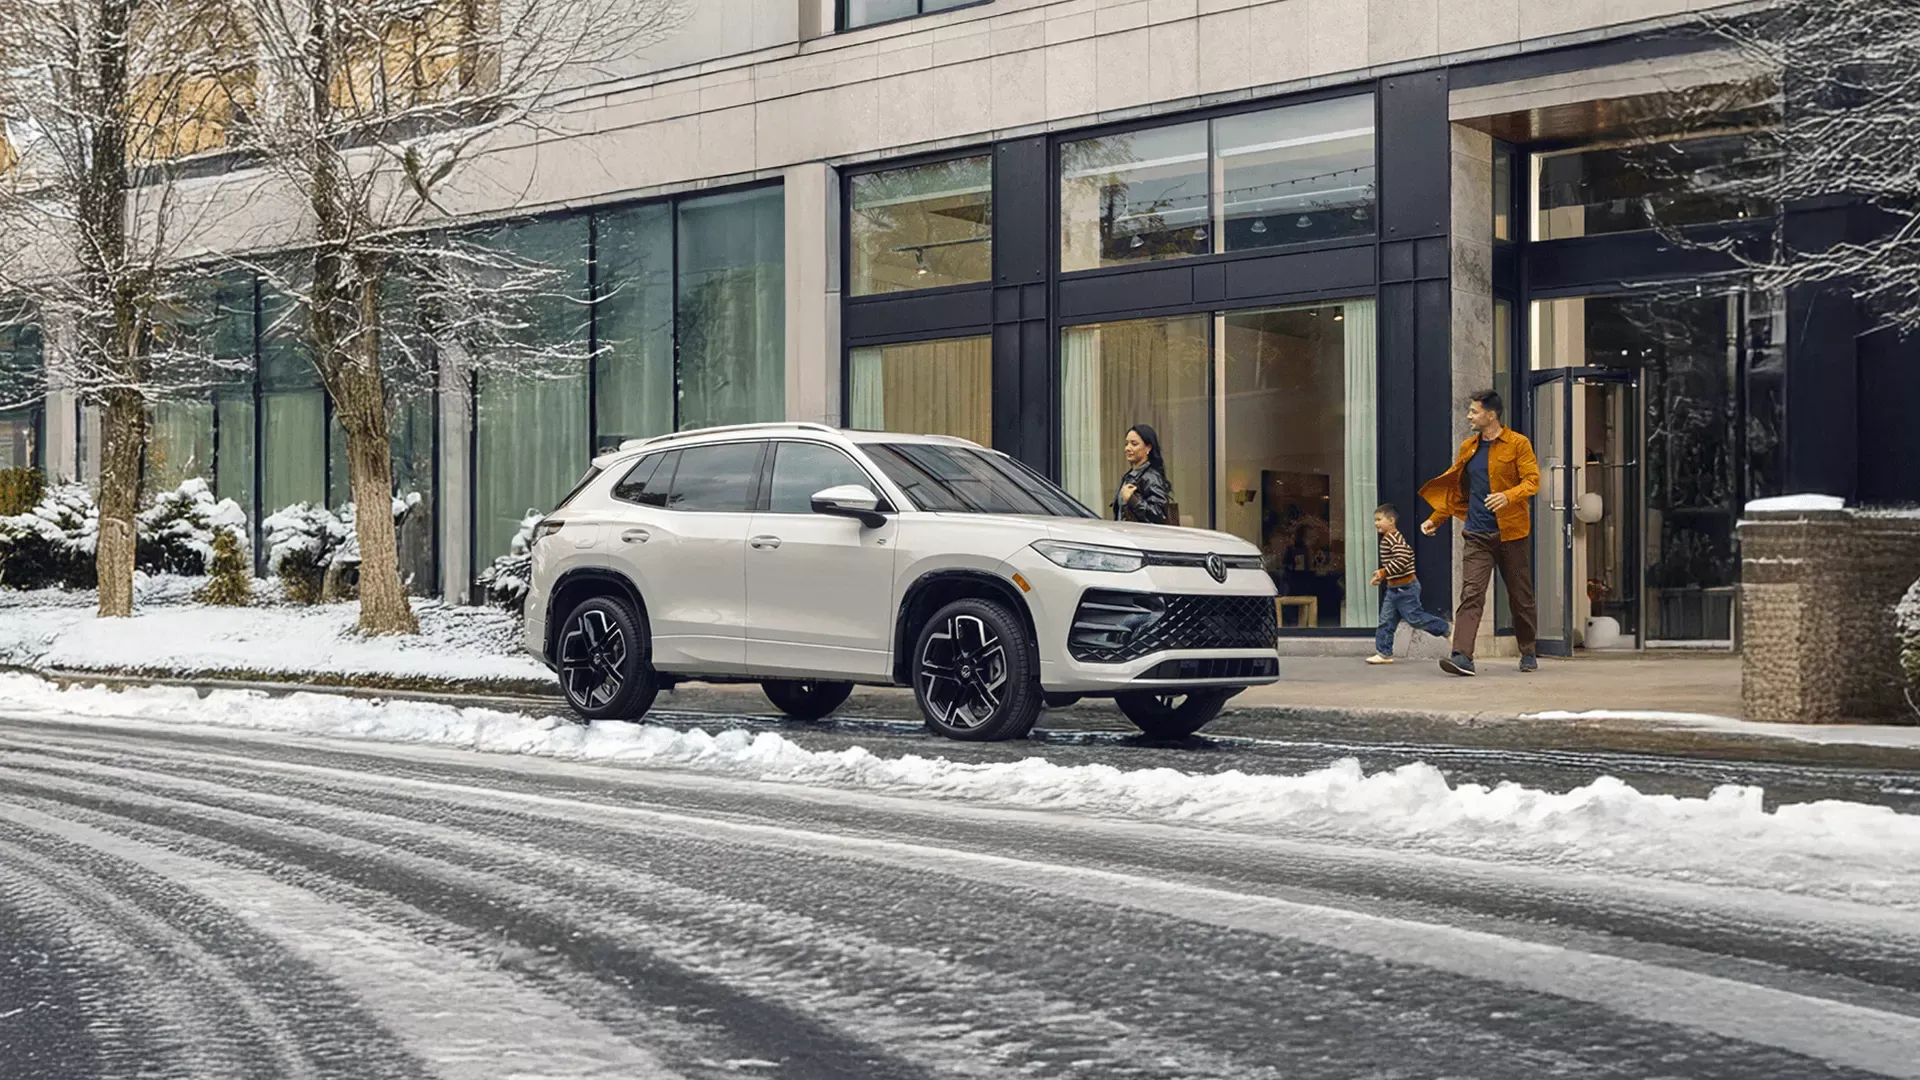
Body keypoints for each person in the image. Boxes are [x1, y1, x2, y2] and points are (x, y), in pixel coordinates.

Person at [1419, 389, 1540, 676]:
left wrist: (1508, 496)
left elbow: (1532, 481)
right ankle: (1462, 656)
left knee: (1520, 597)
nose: (1469, 416)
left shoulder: (1518, 443)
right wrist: (1437, 518)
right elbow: (1459, 490)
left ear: (1491, 415)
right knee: (1471, 593)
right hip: (1476, 534)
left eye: (1474, 411)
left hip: (1512, 534)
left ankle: (1528, 650)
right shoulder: (1468, 447)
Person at [1366, 503, 1450, 665]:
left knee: (1415, 618)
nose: (1376, 523)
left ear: (1391, 520)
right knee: (1386, 621)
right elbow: (1402, 560)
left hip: (1405, 588)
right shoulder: (1390, 538)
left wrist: (1383, 572)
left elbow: (1404, 558)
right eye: (1375, 520)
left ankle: (1445, 629)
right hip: (1394, 587)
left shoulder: (1392, 538)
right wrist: (1383, 576)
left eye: (1379, 519)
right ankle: (1384, 653)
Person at [1113, 424, 1171, 525]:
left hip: (1141, 534)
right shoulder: (1130, 475)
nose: (1127, 448)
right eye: (1126, 444)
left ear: (1148, 448)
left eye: (1134, 444)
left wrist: (1133, 500)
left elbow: (1159, 515)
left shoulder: (1151, 477)